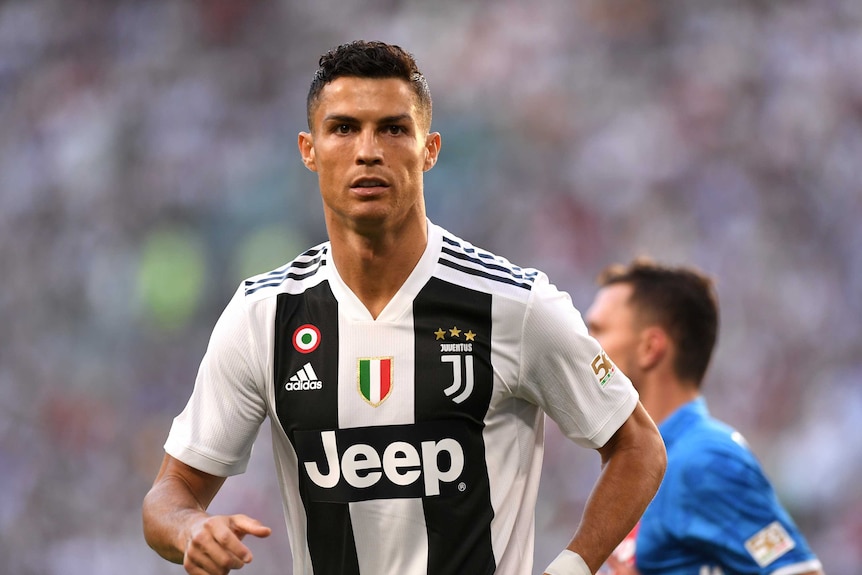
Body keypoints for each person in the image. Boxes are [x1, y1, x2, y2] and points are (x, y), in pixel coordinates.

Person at [141, 40, 666, 575]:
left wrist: (573, 568)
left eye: (393, 128)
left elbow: (639, 447)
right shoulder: (264, 315)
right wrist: (190, 528)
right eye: (343, 128)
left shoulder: (514, 304)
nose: (368, 150)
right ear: (309, 149)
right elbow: (171, 493)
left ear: (430, 148)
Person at [584, 258, 824, 575]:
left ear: (649, 348)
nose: (584, 347)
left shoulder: (706, 462)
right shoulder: (642, 461)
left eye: (596, 331)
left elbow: (800, 572)